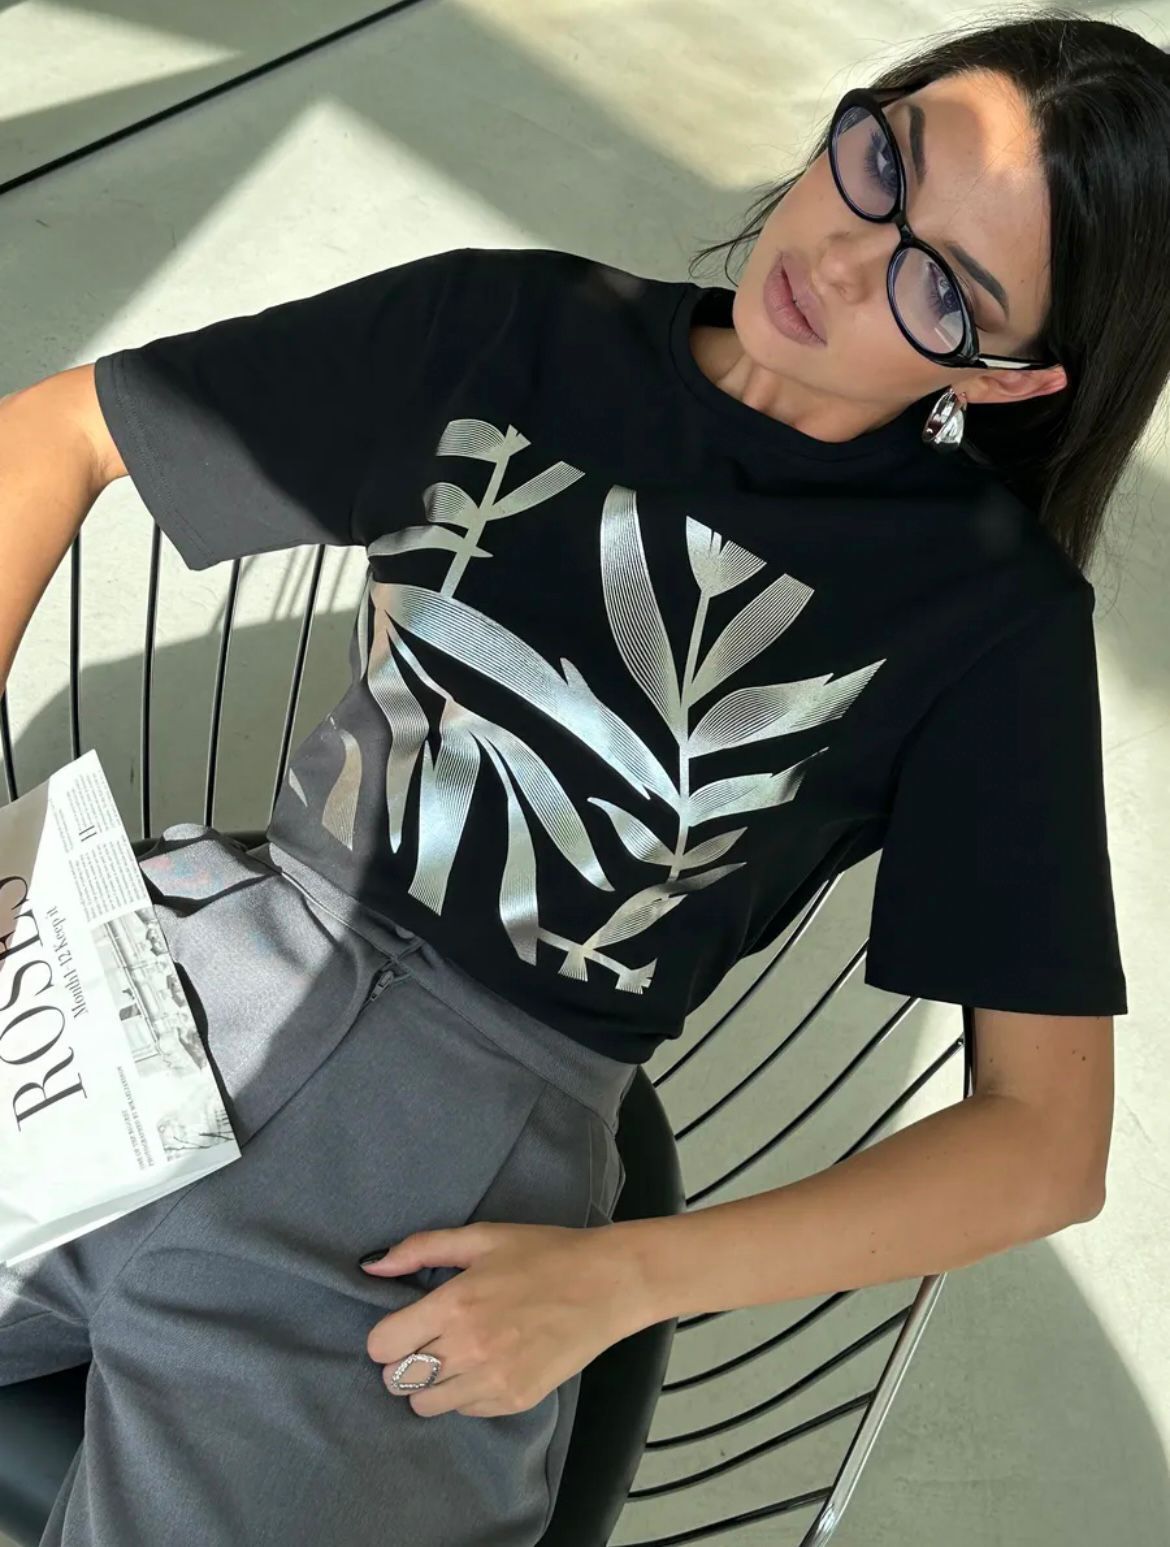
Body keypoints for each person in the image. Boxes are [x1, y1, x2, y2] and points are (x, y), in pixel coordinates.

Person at [0, 10, 1162, 1544]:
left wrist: (619, 1282)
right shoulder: (518, 332)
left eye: (945, 287)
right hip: (161, 991)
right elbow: (56, 432)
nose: (844, 255)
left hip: (441, 1203)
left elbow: (1041, 1145)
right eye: (886, 162)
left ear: (1010, 381)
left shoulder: (986, 617)